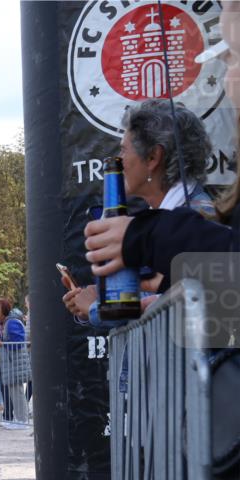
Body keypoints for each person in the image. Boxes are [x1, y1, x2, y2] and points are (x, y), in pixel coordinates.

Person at [67, 99, 221, 322]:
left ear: (152, 158)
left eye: (124, 149)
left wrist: (94, 307)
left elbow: (174, 309)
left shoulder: (200, 220)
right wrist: (101, 298)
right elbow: (150, 296)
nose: (119, 160)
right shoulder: (167, 220)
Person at [0, 298, 29, 429]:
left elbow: (18, 341)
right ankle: (19, 420)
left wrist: (3, 342)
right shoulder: (5, 323)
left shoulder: (12, 322)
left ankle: (23, 421)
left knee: (17, 392)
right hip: (11, 363)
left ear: (4, 309)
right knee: (14, 391)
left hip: (15, 362)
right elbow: (6, 339)